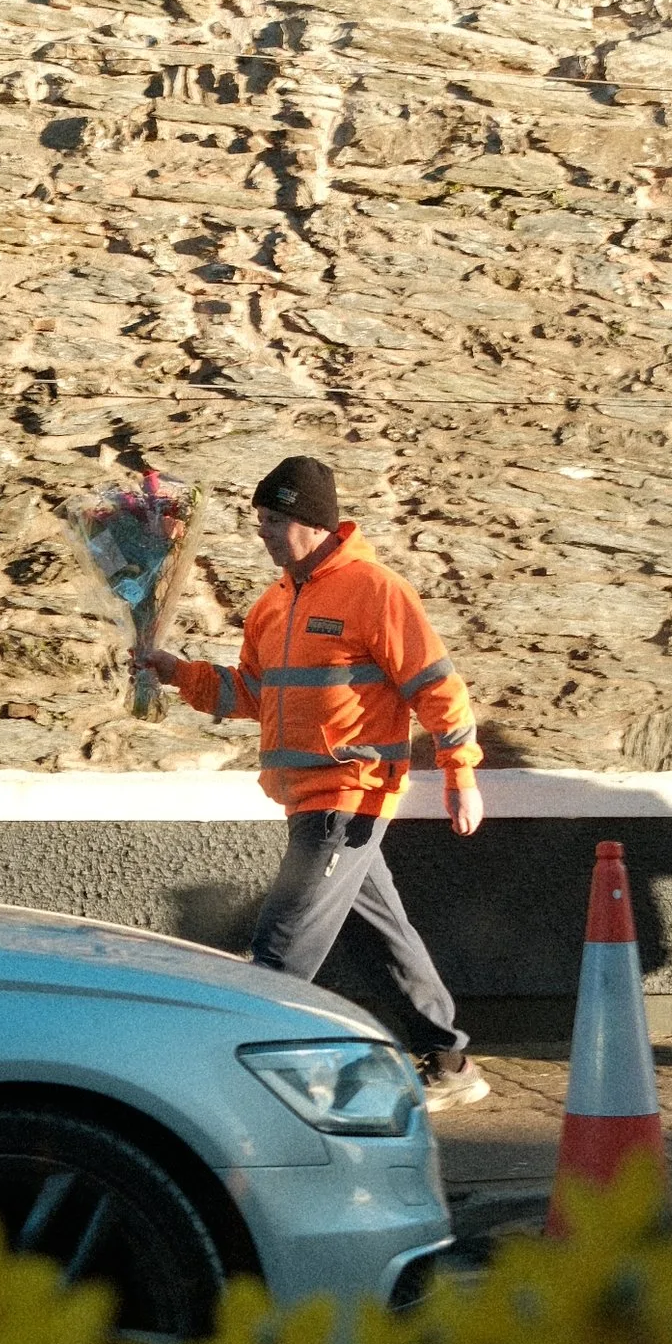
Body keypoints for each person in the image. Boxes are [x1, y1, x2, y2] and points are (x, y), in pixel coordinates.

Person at [145, 453, 491, 1110]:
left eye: (275, 519)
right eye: (260, 520)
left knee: (281, 945)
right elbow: (249, 692)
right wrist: (173, 671)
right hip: (301, 797)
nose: (264, 532)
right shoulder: (272, 606)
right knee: (379, 935)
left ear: (313, 524)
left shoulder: (375, 590)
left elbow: (435, 685)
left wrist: (460, 774)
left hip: (351, 795)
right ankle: (451, 1061)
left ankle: (237, 1090)